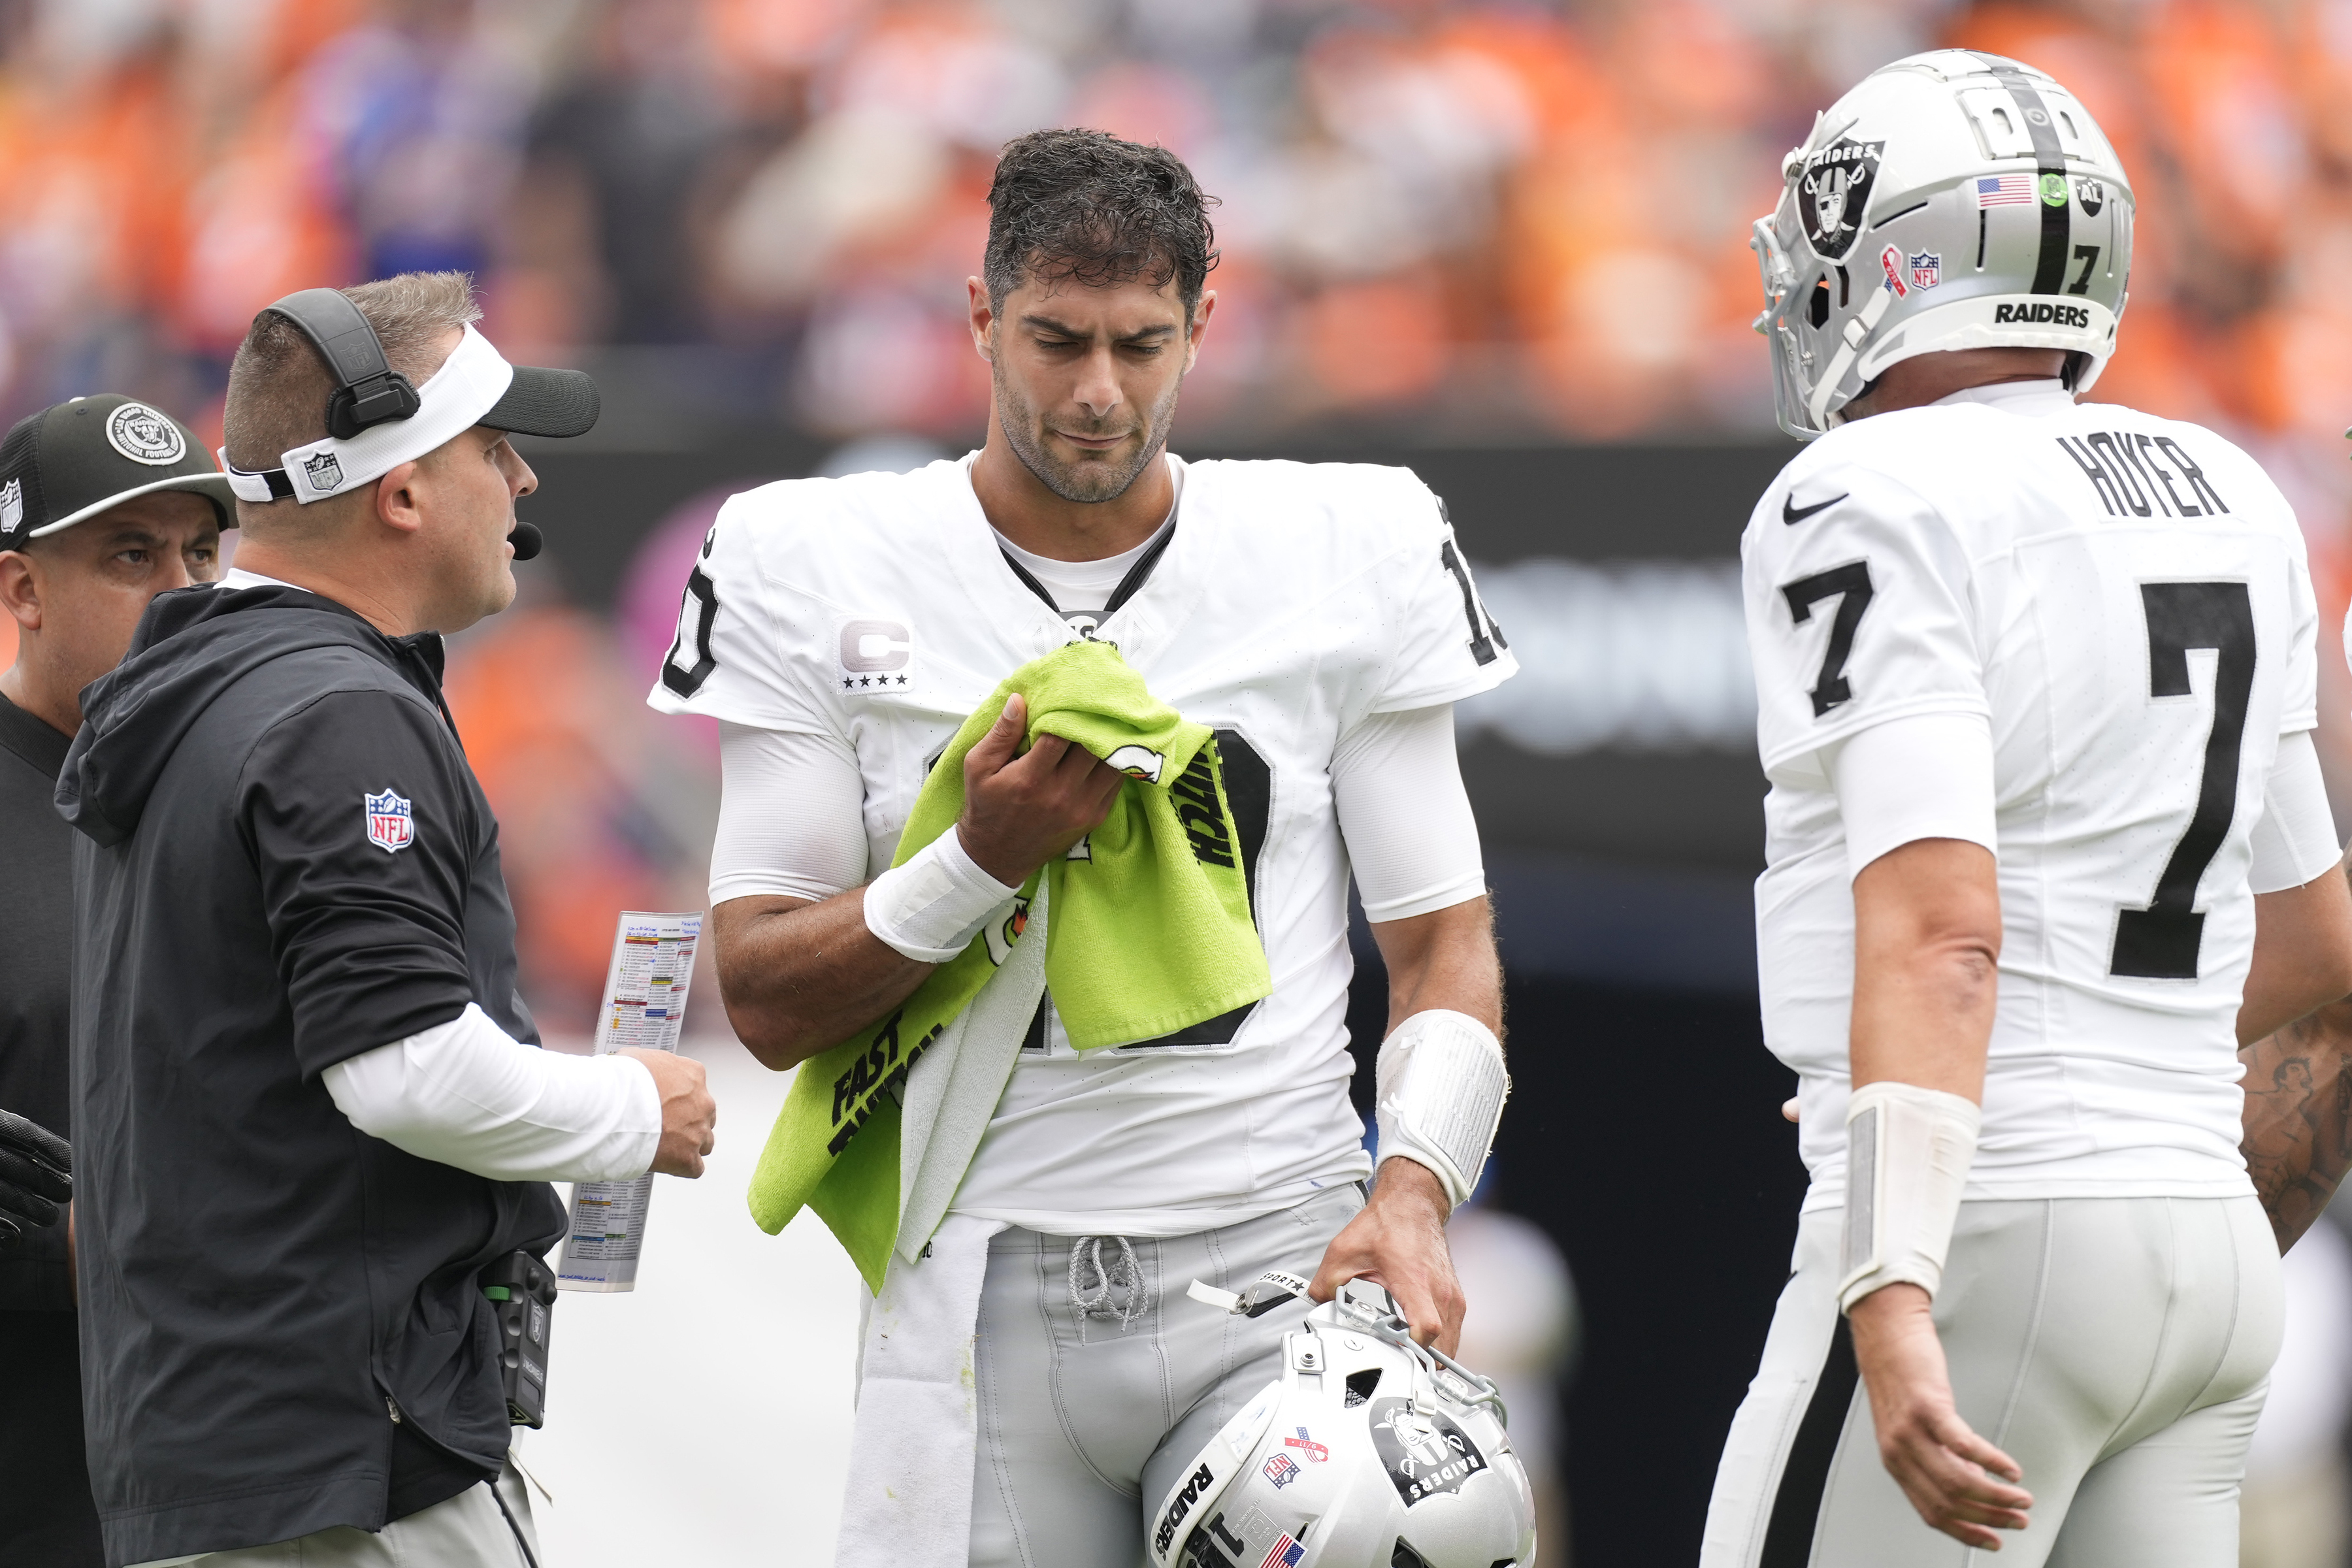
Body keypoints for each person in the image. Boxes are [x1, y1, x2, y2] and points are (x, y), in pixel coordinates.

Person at [650, 129, 1519, 1567]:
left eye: (1140, 342)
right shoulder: (811, 554)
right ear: (982, 315)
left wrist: (1416, 1191)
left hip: (1276, 1260)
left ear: (1204, 324)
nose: (1101, 390)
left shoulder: (1349, 540)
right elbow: (766, 996)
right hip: (979, 1296)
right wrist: (976, 862)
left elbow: (1441, 943)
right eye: (1056, 340)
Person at [1702, 51, 2352, 1568]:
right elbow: (2321, 950)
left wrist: (1899, 1268)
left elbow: (1943, 935)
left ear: (1905, 255)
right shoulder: (2230, 484)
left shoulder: (1862, 489)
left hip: (1992, 1228)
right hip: (2206, 1250)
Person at [59, 273, 719, 1568]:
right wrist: (638, 1108)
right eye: (494, 447)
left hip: (212, 1455)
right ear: (402, 486)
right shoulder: (334, 711)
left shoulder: (197, 692)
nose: (522, 485)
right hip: (341, 1464)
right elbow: (406, 1074)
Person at [0, 393, 231, 1566]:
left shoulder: (263, 802)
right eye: (131, 554)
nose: (183, 589)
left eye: (201, 551)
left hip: (242, 1504)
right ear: (22, 591)